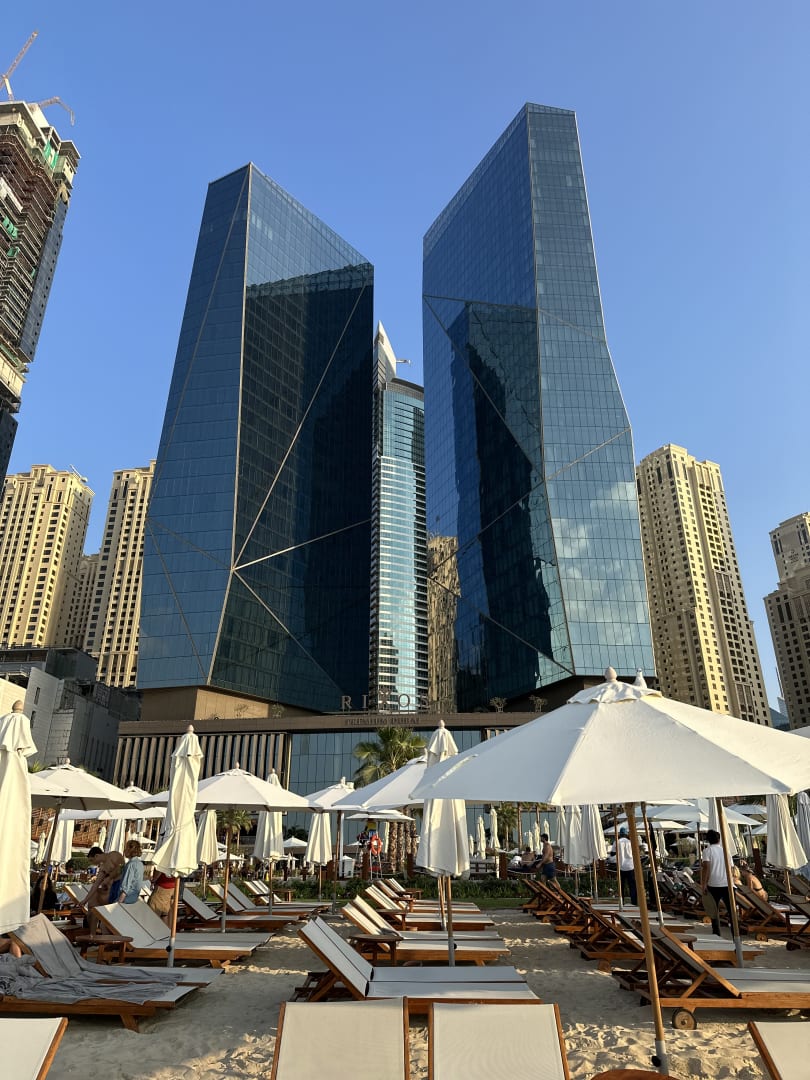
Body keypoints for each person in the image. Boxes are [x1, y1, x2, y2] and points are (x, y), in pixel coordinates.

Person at [84, 848, 125, 933]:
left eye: (92, 860)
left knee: (94, 904)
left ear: (96, 856)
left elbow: (120, 868)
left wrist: (109, 878)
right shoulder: (103, 867)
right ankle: (92, 934)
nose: (92, 863)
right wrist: (85, 900)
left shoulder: (114, 855)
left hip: (118, 889)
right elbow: (95, 885)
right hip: (109, 891)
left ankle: (94, 933)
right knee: (92, 904)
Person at [700, 829, 733, 936]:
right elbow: (731, 868)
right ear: (719, 839)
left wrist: (704, 884)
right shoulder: (726, 851)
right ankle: (735, 934)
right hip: (727, 884)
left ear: (708, 840)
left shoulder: (707, 851)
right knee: (731, 911)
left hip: (713, 884)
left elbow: (706, 868)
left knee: (714, 912)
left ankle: (717, 934)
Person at [118, 840, 145, 904]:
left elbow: (126, 886)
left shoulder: (131, 865)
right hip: (134, 898)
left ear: (130, 850)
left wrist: (119, 903)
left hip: (126, 899)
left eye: (126, 848)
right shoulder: (140, 863)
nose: (124, 850)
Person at [617, 827, 637, 905]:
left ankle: (621, 902)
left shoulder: (617, 842)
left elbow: (612, 853)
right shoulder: (630, 842)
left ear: (620, 834)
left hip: (621, 866)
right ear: (626, 834)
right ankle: (634, 902)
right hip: (631, 866)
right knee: (632, 885)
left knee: (621, 885)